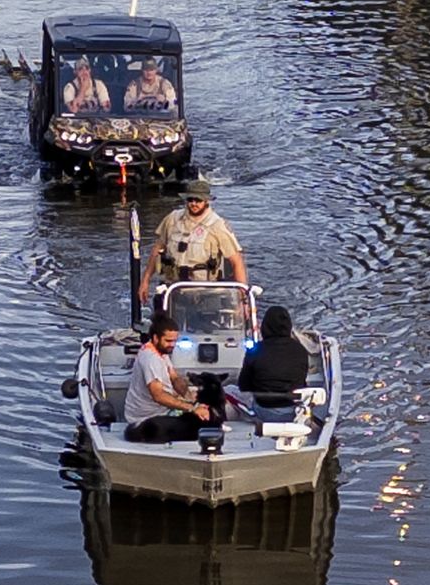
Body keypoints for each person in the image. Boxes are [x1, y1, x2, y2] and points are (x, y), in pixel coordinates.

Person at [123, 313, 224, 443]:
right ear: (155, 338)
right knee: (202, 421)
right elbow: (158, 395)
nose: (172, 345)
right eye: (168, 341)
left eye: (174, 340)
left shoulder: (161, 352)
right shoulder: (150, 359)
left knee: (206, 411)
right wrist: (192, 408)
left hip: (163, 409)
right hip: (146, 416)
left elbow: (175, 378)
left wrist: (188, 395)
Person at [139, 180, 246, 298]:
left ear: (206, 201)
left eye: (198, 200)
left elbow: (237, 262)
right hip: (173, 290)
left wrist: (243, 299)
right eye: (190, 200)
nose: (194, 203)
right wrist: (145, 281)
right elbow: (157, 250)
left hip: (205, 293)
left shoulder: (217, 226)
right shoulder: (172, 219)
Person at [237, 305, 309, 422]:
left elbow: (243, 386)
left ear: (265, 326)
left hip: (264, 409)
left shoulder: (255, 350)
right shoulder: (300, 350)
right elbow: (301, 380)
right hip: (292, 409)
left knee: (228, 390)